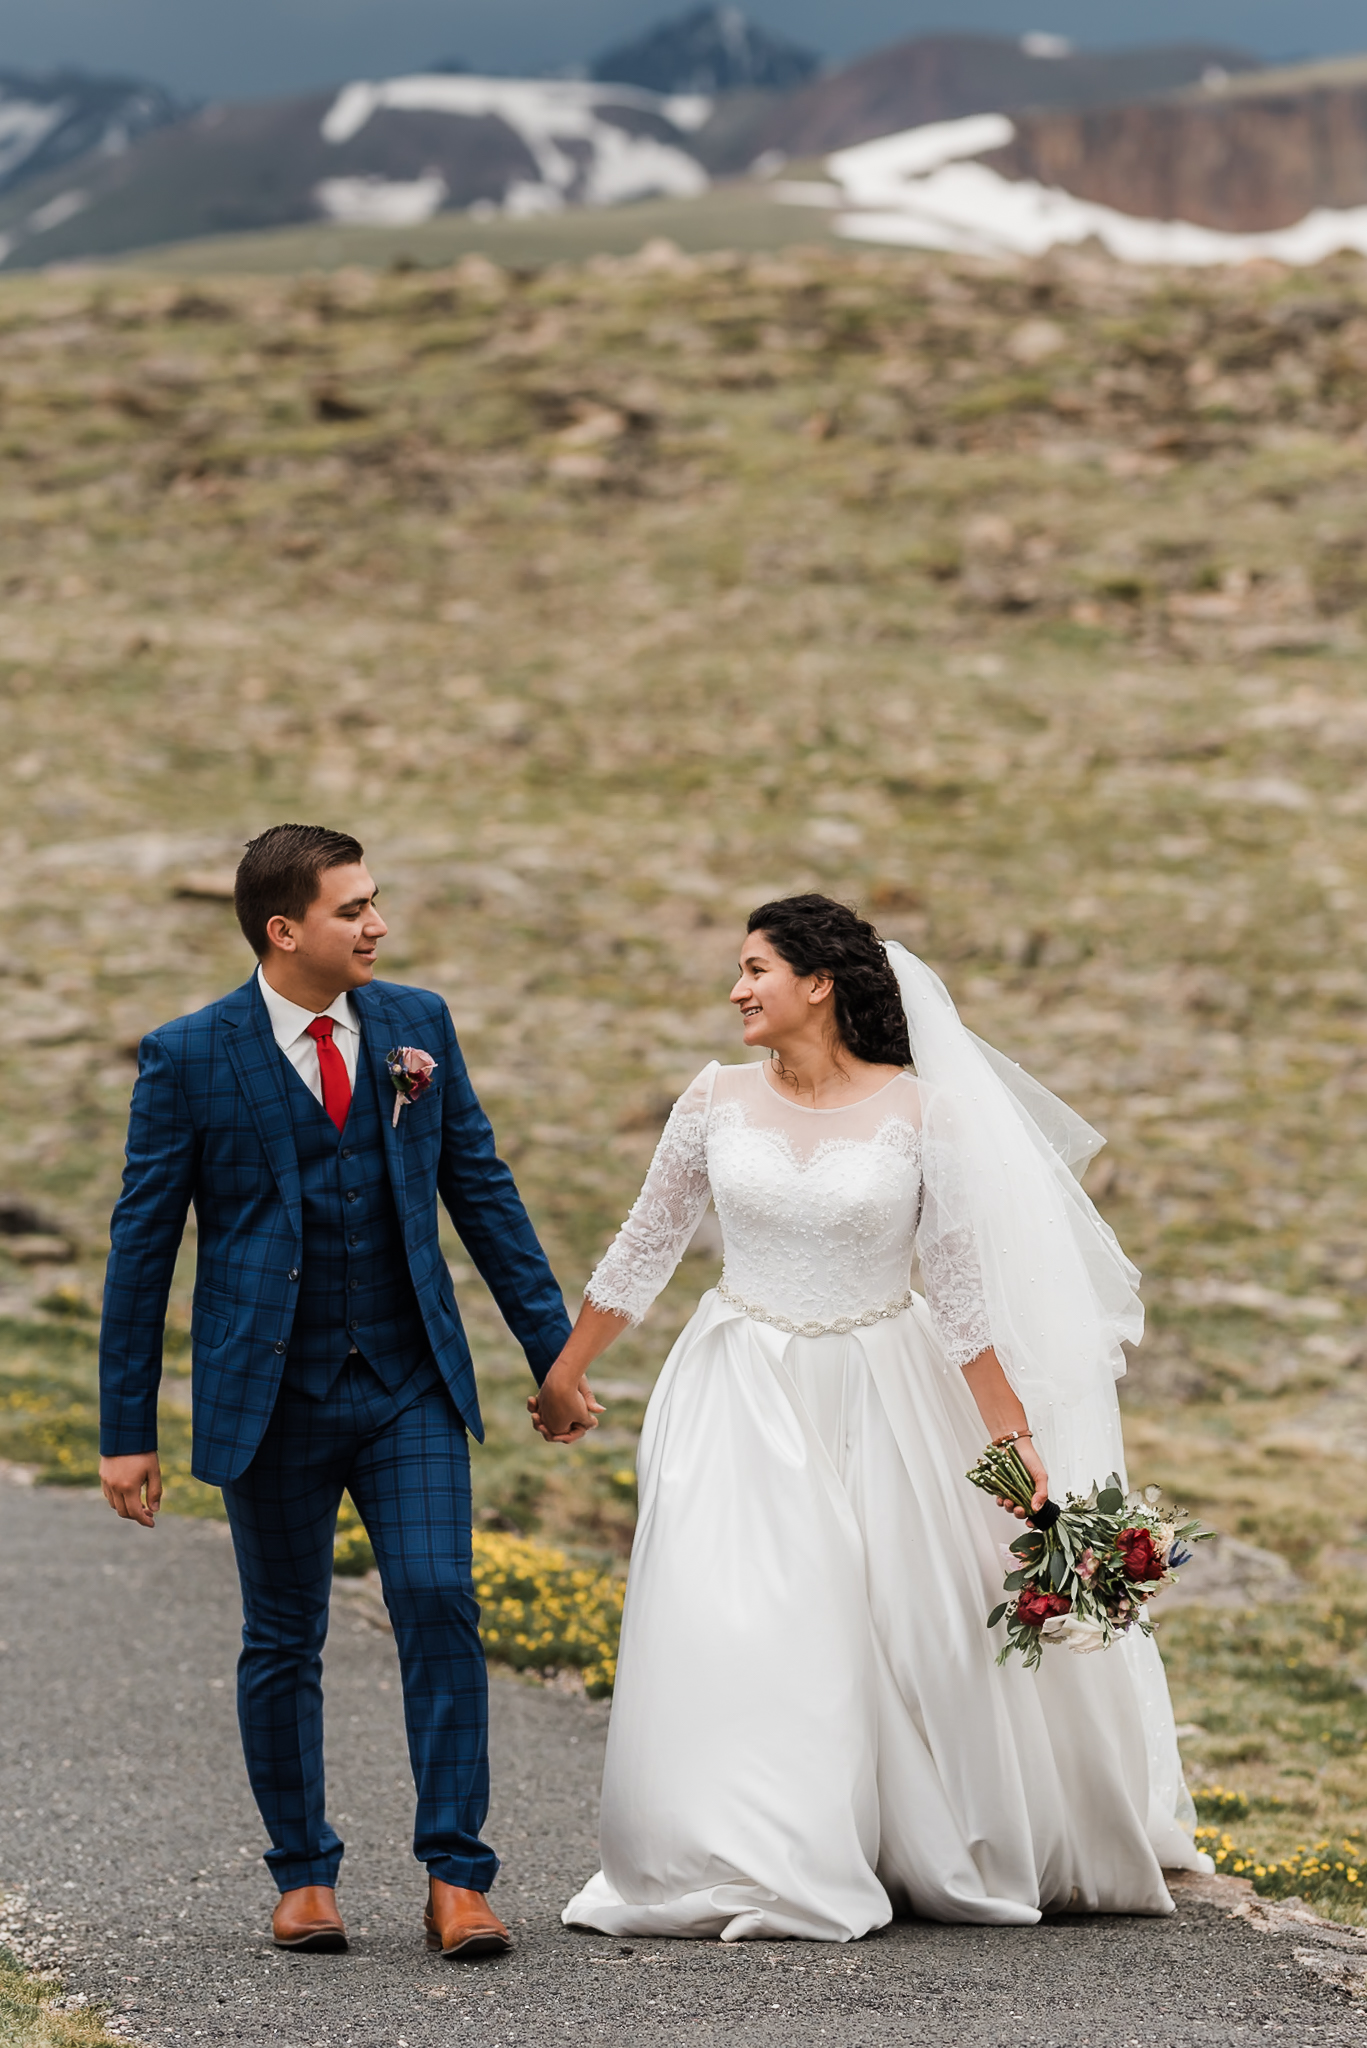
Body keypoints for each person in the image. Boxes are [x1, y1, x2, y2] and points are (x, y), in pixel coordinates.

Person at [533, 894, 1208, 1942]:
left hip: (883, 1388)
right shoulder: (711, 1098)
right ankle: (758, 1843)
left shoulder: (918, 1113)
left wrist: (1016, 1459)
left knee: (896, 1625)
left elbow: (964, 1303)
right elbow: (643, 1245)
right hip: (737, 1383)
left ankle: (891, 1835)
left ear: (820, 982)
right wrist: (566, 1372)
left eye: (755, 967)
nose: (734, 988)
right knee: (745, 1612)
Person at [98, 823, 579, 1959]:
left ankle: (456, 1873)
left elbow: (484, 1192)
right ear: (284, 929)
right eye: (352, 908)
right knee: (283, 1635)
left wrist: (550, 1356)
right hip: (267, 1395)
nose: (377, 924)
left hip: (407, 1379)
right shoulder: (189, 1054)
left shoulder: (418, 1025)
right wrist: (127, 1430)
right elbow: (140, 1248)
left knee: (437, 1600)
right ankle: (302, 1871)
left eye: (375, 902)